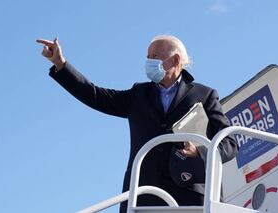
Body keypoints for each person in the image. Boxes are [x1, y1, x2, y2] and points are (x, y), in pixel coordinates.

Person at [36, 35, 238, 212]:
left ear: (175, 60)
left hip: (190, 198)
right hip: (143, 197)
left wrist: (200, 151)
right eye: (147, 56)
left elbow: (229, 144)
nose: (148, 61)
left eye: (154, 57)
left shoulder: (204, 94)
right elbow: (94, 95)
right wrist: (61, 65)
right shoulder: (138, 95)